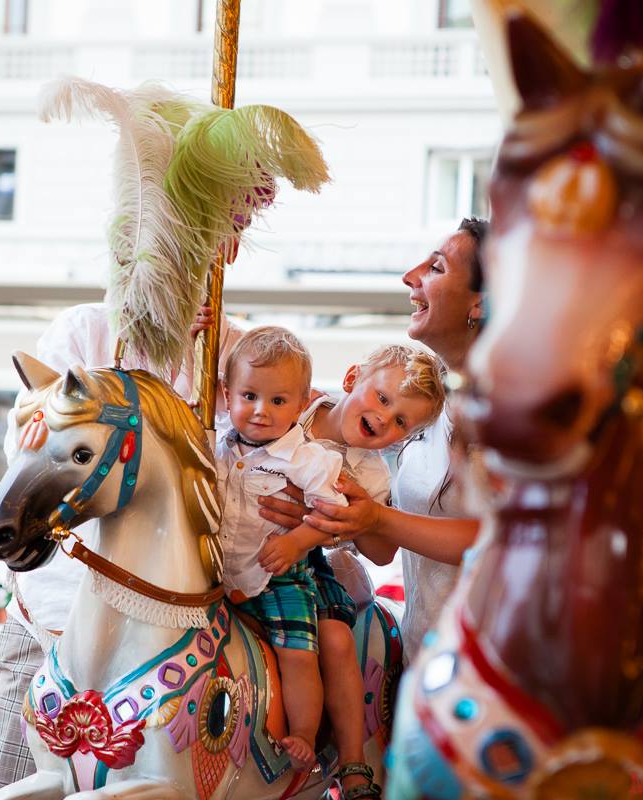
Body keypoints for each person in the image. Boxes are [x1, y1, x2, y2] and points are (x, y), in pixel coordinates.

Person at [0, 301, 243, 800]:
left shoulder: (232, 349)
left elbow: (268, 436)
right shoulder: (86, 330)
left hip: (175, 611)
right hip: (55, 613)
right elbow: (35, 434)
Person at [258, 218, 490, 664]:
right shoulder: (436, 401)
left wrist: (373, 520)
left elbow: (498, 537)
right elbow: (260, 378)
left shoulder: (500, 410)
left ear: (477, 303)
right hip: (424, 644)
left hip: (475, 661)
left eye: (437, 268)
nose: (411, 276)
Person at [294, 343, 445, 799]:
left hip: (309, 570)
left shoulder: (372, 474)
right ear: (351, 378)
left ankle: (351, 759)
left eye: (401, 422)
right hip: (243, 555)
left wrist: (360, 511)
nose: (385, 418)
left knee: (336, 640)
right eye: (381, 398)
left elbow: (381, 555)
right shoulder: (293, 409)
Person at [216, 326, 347, 771]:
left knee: (297, 653)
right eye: (249, 395)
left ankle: (305, 733)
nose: (260, 411)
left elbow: (334, 509)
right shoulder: (215, 443)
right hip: (218, 572)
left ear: (301, 401)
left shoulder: (307, 458)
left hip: (279, 573)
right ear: (226, 393)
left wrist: (297, 541)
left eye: (278, 401)